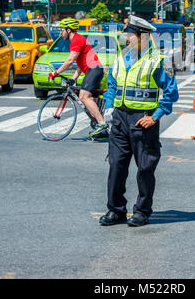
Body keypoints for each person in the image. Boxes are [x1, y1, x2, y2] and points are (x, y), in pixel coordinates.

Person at [99, 15, 179, 227]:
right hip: (120, 120)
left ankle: (142, 211)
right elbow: (112, 84)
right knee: (116, 165)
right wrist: (109, 105)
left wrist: (155, 117)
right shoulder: (121, 57)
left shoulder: (158, 60)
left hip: (142, 121)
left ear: (142, 37)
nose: (127, 38)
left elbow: (171, 94)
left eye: (130, 35)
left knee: (145, 168)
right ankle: (115, 210)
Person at [48, 18, 108, 138]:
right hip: (94, 70)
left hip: (94, 70)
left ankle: (102, 123)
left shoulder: (76, 39)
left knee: (83, 96)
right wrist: (73, 78)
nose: (60, 32)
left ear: (68, 30)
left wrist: (55, 73)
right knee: (91, 102)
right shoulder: (77, 39)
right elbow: (80, 65)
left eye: (62, 30)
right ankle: (102, 131)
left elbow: (70, 60)